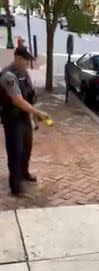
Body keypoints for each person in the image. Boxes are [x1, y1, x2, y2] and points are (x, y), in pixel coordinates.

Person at [0, 46, 47, 196]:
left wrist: (33, 115)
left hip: (24, 117)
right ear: (18, 58)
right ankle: (16, 186)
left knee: (26, 147)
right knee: (15, 151)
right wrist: (38, 112)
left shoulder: (24, 73)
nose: (28, 64)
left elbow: (29, 96)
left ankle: (24, 173)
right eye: (26, 60)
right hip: (12, 119)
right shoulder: (8, 76)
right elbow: (18, 100)